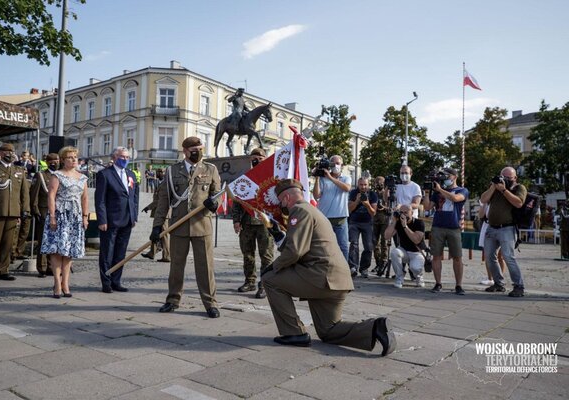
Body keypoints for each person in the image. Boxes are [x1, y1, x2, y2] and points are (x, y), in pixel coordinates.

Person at [261, 179, 396, 355]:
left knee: (269, 280)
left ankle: (293, 333)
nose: (282, 206)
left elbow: (295, 251)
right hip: (336, 279)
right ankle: (375, 328)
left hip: (321, 277)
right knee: (328, 331)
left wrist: (273, 267)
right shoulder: (312, 210)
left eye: (281, 202)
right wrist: (279, 236)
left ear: (286, 198)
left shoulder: (299, 211)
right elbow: (303, 245)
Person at [150, 136, 222, 318]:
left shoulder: (210, 169)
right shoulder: (172, 171)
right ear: (185, 151)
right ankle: (173, 300)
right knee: (176, 267)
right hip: (178, 225)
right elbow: (164, 200)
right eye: (194, 150)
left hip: (202, 224)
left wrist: (215, 203)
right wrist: (157, 226)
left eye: (200, 149)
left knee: (205, 267)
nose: (198, 153)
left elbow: (217, 193)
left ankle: (210, 303)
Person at [40, 147, 89, 298]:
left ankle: (66, 283)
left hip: (75, 217)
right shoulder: (57, 175)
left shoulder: (82, 178)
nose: (73, 160)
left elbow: (85, 198)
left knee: (69, 252)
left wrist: (85, 217)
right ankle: (56, 282)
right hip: (61, 215)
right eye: (69, 157)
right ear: (63, 160)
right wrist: (52, 216)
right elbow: (51, 196)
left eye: (75, 157)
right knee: (57, 250)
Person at [0, 143, 30, 282]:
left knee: (8, 244)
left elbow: (24, 193)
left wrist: (25, 209)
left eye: (12, 151)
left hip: (13, 211)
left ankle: (3, 269)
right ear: (0, 153)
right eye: (7, 151)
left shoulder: (19, 170)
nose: (10, 153)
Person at [95, 146, 139, 293]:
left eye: (127, 157)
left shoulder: (131, 174)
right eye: (122, 157)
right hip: (110, 220)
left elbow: (134, 197)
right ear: (114, 158)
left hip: (127, 220)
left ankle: (116, 281)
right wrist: (102, 220)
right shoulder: (105, 174)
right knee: (107, 252)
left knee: (121, 253)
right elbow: (100, 200)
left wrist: (134, 216)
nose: (125, 160)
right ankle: (106, 281)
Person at [231, 148, 274, 298]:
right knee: (247, 254)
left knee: (266, 256)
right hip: (246, 222)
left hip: (265, 224)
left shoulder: (270, 176)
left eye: (260, 158)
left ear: (265, 159)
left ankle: (265, 285)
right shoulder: (244, 177)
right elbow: (236, 201)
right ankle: (250, 281)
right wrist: (236, 221)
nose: (256, 160)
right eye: (254, 158)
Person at [480, 167, 527, 297]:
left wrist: (504, 190)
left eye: (508, 177)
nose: (505, 179)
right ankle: (498, 284)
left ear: (515, 178)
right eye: (503, 176)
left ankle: (519, 286)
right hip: (491, 227)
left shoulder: (519, 188)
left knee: (508, 257)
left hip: (507, 228)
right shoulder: (495, 188)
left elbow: (518, 203)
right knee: (489, 257)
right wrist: (493, 187)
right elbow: (483, 200)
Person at [422, 168, 469, 295]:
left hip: (454, 227)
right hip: (438, 226)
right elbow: (427, 207)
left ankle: (458, 285)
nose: (445, 178)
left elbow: (455, 198)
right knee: (436, 256)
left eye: (447, 176)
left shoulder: (462, 190)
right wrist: (427, 193)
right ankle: (438, 283)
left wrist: (440, 190)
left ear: (454, 177)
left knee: (457, 257)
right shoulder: (437, 192)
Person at [312, 155, 351, 262]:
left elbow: (347, 188)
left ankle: (344, 272)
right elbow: (316, 196)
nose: (335, 165)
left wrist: (330, 177)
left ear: (342, 165)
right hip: (325, 218)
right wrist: (317, 178)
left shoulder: (346, 177)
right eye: (333, 163)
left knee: (343, 246)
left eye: (338, 163)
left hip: (340, 218)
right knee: (323, 246)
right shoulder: (323, 178)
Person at [31, 153, 60, 277]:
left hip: (58, 212)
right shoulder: (41, 175)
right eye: (51, 161)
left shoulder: (61, 175)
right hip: (44, 211)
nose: (54, 163)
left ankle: (51, 266)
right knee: (43, 241)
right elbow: (34, 194)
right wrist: (35, 210)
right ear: (47, 162)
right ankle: (42, 267)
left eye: (56, 160)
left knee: (55, 241)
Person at [384, 204, 426, 288]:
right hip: (404, 251)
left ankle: (419, 276)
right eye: (401, 212)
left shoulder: (419, 223)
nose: (403, 215)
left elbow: (416, 240)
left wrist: (405, 226)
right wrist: (394, 221)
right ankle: (399, 277)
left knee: (415, 268)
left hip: (417, 252)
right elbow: (386, 236)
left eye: (406, 212)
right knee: (394, 253)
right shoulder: (398, 222)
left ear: (412, 212)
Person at [347, 177, 377, 278]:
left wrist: (367, 204)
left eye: (365, 185)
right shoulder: (353, 193)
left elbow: (373, 213)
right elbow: (349, 209)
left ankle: (364, 268)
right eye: (361, 185)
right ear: (358, 184)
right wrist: (356, 201)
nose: (363, 187)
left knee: (368, 247)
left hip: (367, 223)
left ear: (368, 185)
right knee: (353, 244)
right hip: (354, 222)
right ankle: (353, 267)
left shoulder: (372, 194)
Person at [141, 169, 170, 262]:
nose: (158, 174)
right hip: (159, 212)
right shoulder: (162, 183)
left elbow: (160, 201)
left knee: (163, 235)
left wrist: (148, 207)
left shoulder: (165, 185)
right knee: (155, 234)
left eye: (160, 172)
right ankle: (152, 253)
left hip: (163, 213)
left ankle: (166, 256)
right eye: (158, 172)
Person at [477, 201, 507, 285]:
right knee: (489, 254)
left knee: (500, 256)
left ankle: (500, 278)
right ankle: (490, 278)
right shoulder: (487, 199)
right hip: (487, 225)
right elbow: (481, 215)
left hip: (502, 227)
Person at [372, 176, 391, 273]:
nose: (379, 185)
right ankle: (378, 263)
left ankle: (383, 262)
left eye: (381, 183)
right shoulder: (373, 194)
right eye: (377, 182)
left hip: (385, 220)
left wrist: (383, 207)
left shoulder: (387, 194)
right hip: (374, 220)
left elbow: (391, 207)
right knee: (375, 243)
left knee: (384, 243)